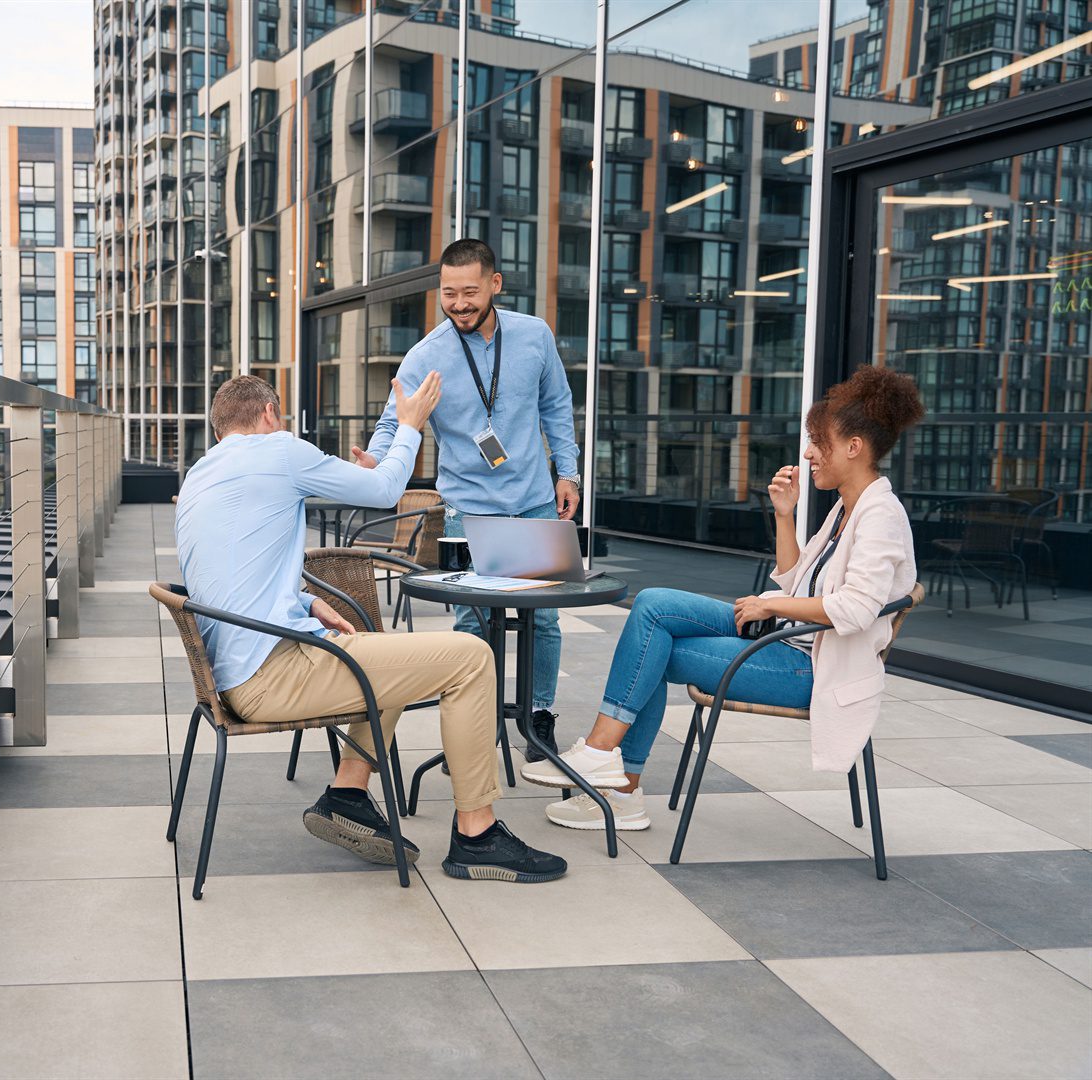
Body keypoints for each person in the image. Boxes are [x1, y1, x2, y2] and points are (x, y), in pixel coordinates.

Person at [176, 375, 567, 883]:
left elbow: (225, 572)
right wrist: (409, 426)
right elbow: (384, 490)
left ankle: (348, 795)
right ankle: (477, 834)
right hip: (271, 675)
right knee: (471, 656)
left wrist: (304, 600)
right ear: (270, 414)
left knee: (383, 655)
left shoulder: (200, 477)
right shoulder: (276, 451)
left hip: (238, 673)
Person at [525, 366, 925, 831]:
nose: (810, 453)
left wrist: (770, 605)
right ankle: (609, 768)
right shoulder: (846, 507)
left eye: (819, 441)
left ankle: (612, 774)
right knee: (653, 605)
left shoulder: (880, 516)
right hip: (793, 641)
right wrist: (784, 516)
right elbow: (799, 581)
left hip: (813, 669)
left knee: (655, 650)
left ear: (853, 447)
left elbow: (854, 610)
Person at [360, 238, 582, 765]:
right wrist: (375, 460)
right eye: (449, 293)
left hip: (533, 502)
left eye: (469, 292)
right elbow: (395, 419)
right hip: (467, 509)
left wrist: (567, 472)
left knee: (545, 619)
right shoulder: (427, 355)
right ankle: (475, 721)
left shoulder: (533, 336)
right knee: (471, 623)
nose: (458, 303)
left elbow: (556, 405)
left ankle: (539, 716)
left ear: (494, 285)